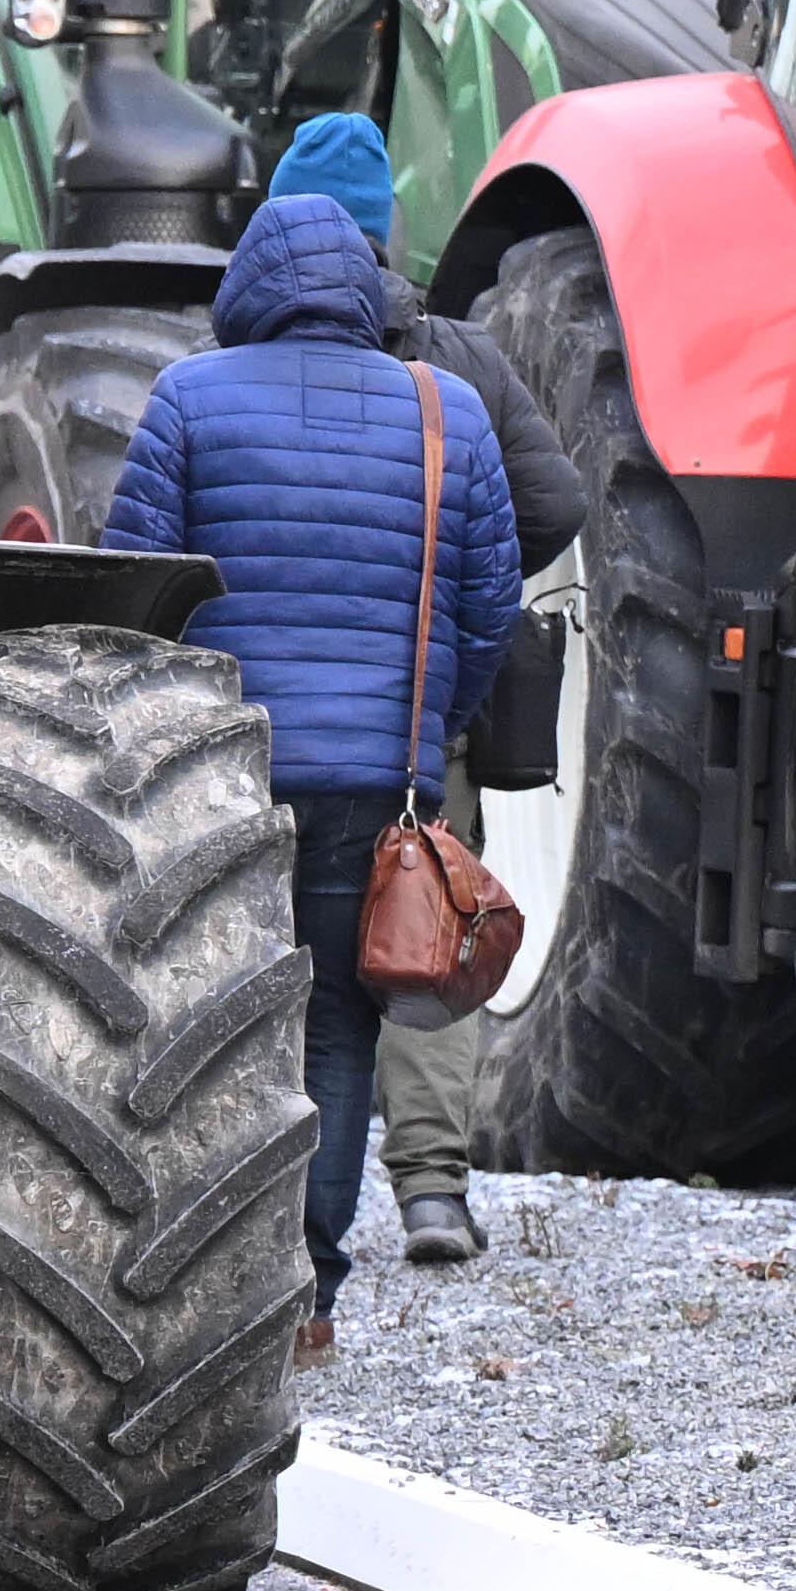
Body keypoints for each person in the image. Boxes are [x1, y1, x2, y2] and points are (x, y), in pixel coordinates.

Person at [95, 181, 523, 1366]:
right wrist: (428, 722)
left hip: (214, 780)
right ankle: (305, 1299)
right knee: (337, 1031)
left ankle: (186, 1291)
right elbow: (491, 609)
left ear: (250, 291)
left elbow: (132, 599)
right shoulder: (448, 414)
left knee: (200, 1033)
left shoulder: (187, 397)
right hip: (378, 792)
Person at [266, 107, 572, 1276]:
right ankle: (434, 1189)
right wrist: (451, 636)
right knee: (424, 925)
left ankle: (272, 1217)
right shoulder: (457, 356)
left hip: (269, 722)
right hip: (423, 713)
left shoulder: (232, 359)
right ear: (386, 237)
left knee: (286, 966)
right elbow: (553, 510)